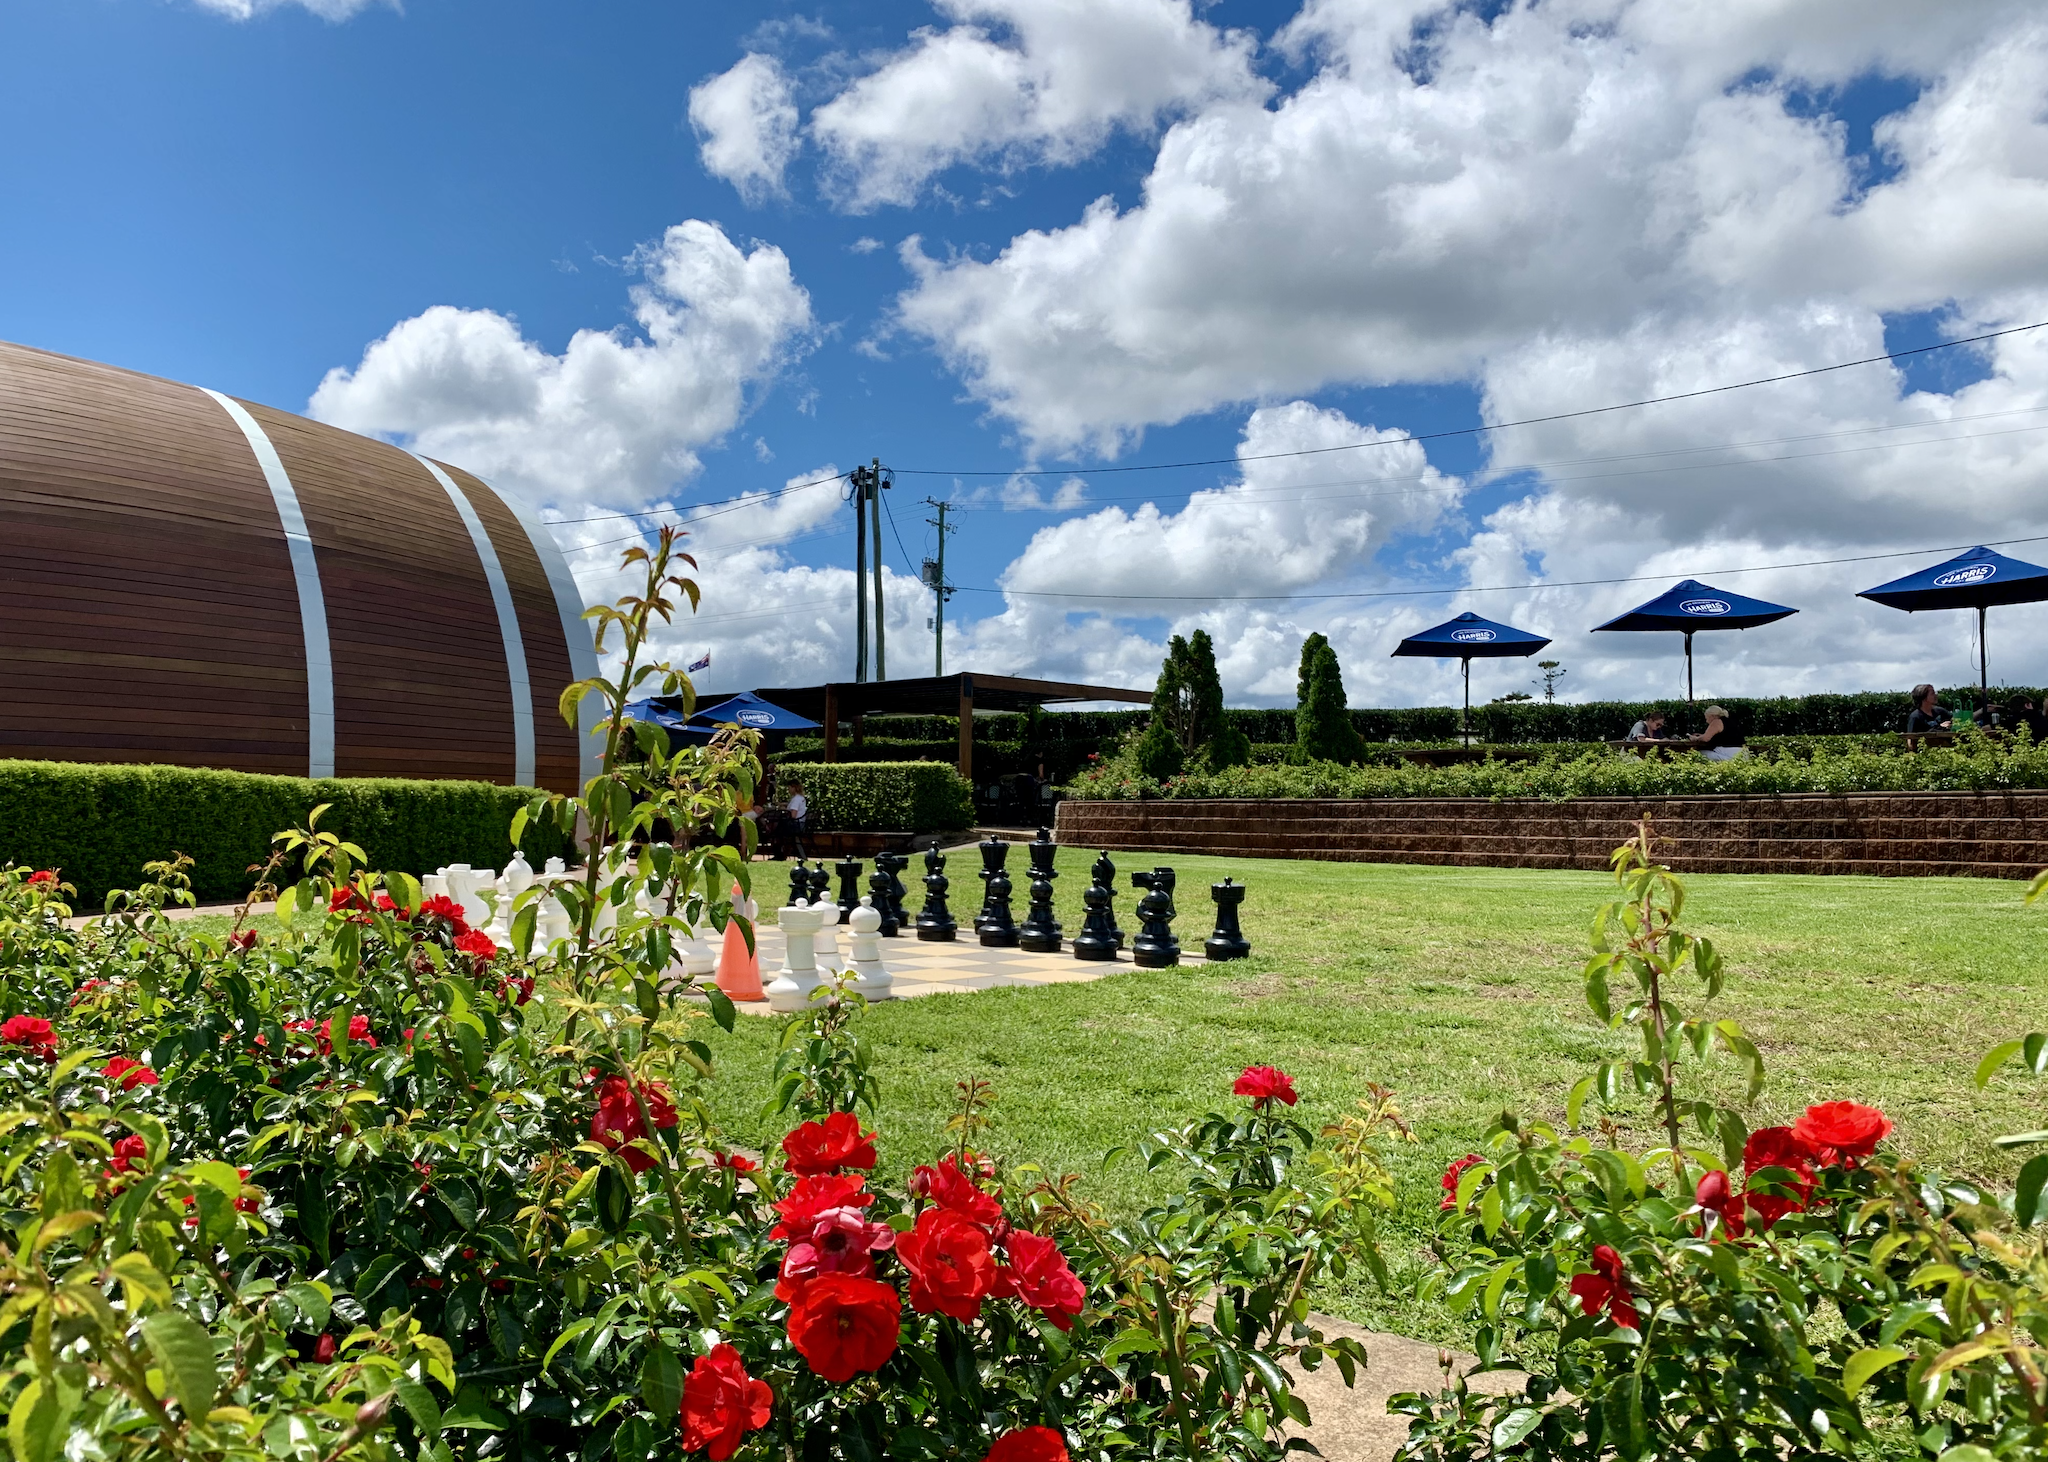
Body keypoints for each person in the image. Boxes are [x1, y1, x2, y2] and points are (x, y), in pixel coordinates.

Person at [784, 779, 808, 859]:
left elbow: (793, 815)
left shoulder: (796, 799)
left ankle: (780, 854)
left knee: (777, 829)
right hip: (801, 824)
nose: (788, 790)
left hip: (796, 825)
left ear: (793, 788)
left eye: (789, 788)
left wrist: (785, 811)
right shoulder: (800, 798)